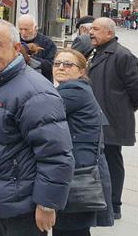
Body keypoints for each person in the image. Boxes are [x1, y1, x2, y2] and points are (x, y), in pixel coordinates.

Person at [0, 19, 74, 236]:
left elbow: (56, 155)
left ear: (16, 48)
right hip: (6, 197)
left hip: (26, 205)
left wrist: (47, 204)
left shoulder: (36, 93)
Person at [88, 17, 138, 220]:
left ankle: (114, 205)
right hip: (95, 119)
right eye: (91, 28)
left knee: (112, 162)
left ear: (109, 34)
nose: (90, 32)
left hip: (112, 120)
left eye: (96, 29)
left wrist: (122, 109)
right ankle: (98, 199)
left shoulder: (123, 56)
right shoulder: (95, 52)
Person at [52, 48, 114, 235]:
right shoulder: (71, 88)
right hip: (81, 170)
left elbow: (40, 110)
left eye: (68, 64)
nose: (61, 67)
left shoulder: (74, 89)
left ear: (81, 71)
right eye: (57, 63)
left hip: (78, 175)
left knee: (69, 229)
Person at [18, 15, 57, 82]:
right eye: (21, 29)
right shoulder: (14, 41)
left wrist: (29, 59)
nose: (23, 33)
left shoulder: (48, 44)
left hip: (41, 82)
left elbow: (52, 66)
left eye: (27, 29)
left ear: (35, 28)